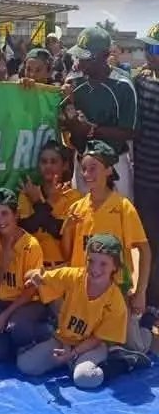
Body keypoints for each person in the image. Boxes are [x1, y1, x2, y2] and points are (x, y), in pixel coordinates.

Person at [62, 141, 153, 355]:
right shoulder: (77, 208)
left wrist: (140, 293)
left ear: (109, 170)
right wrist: (68, 227)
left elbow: (145, 251)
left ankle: (143, 326)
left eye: (93, 167)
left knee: (135, 346)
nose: (86, 174)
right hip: (84, 293)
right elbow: (68, 255)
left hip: (115, 292)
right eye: (84, 168)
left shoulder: (122, 207)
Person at [18, 233, 133, 387]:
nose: (94, 268)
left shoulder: (115, 301)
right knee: (26, 365)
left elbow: (97, 338)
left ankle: (122, 362)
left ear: (115, 267)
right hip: (63, 340)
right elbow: (40, 276)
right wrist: (35, 276)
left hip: (90, 346)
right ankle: (67, 361)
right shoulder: (74, 276)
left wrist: (72, 353)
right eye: (91, 261)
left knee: (84, 378)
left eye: (103, 264)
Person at [62, 26, 137, 197]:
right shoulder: (73, 82)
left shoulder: (123, 85)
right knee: (83, 217)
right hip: (82, 161)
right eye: (78, 56)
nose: (79, 63)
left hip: (116, 164)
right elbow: (66, 124)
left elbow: (131, 131)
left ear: (104, 56)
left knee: (120, 217)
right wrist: (68, 108)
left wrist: (92, 130)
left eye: (86, 58)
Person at [0, 187, 51, 363]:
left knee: (18, 329)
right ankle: (14, 341)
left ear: (16, 215)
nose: (0, 221)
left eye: (5, 214)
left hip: (25, 304)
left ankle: (47, 331)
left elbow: (30, 291)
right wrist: (3, 263)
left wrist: (6, 316)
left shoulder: (31, 245)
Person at [18, 138, 80, 266]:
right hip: (32, 267)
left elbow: (58, 232)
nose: (48, 166)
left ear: (65, 165)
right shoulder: (28, 193)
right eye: (44, 162)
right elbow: (26, 230)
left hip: (61, 268)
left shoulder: (74, 197)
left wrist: (38, 202)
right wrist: (48, 203)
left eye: (53, 162)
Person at [133, 24, 159, 314]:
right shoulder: (140, 82)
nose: (148, 54)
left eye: (155, 49)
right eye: (147, 48)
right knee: (150, 245)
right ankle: (150, 303)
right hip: (145, 182)